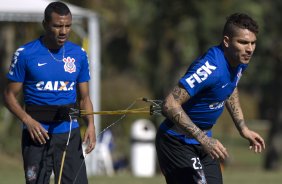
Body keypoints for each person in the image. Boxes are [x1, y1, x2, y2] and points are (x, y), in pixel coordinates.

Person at [155, 13, 266, 184]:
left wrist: (242, 128)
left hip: (203, 142)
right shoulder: (209, 68)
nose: (249, 49)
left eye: (253, 43)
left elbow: (230, 87)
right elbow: (169, 104)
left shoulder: (239, 61)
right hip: (176, 142)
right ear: (227, 41)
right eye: (243, 42)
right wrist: (205, 140)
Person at [3, 1, 96, 184]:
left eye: (68, 26)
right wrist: (27, 121)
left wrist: (91, 124)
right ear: (45, 24)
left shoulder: (78, 54)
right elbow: (8, 95)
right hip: (36, 134)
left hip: (69, 133)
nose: (63, 31)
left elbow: (84, 97)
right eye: (57, 26)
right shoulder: (25, 53)